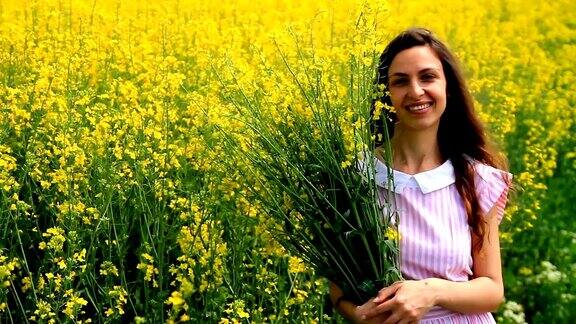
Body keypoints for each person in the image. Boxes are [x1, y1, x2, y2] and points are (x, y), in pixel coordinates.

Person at [329, 28, 512, 323]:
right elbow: (339, 293)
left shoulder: (475, 179)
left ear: (447, 87)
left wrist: (432, 291)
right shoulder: (355, 179)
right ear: (384, 94)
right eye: (400, 81)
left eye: (427, 77)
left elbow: (492, 289)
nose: (416, 91)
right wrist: (361, 316)